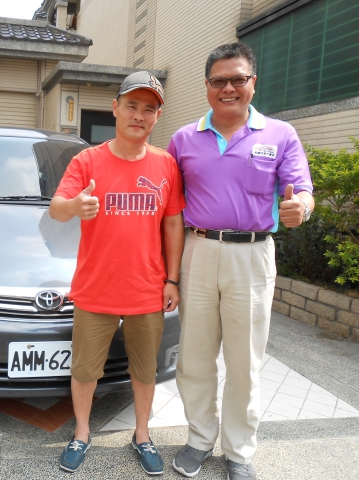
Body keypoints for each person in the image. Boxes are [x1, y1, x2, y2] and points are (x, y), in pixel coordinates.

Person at [167, 43, 315, 479]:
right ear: (207, 86)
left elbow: (302, 191)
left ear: (253, 82)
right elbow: (168, 209)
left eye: (238, 79)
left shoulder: (280, 134)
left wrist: (301, 208)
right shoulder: (183, 139)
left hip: (252, 255)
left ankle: (237, 451)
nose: (228, 88)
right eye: (219, 81)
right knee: (194, 357)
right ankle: (199, 439)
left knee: (244, 361)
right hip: (198, 250)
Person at [49, 71, 186, 475]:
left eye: (149, 109)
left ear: (157, 116)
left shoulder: (166, 165)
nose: (139, 115)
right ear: (115, 108)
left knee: (145, 370)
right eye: (132, 105)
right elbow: (56, 209)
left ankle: (142, 435)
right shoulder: (87, 161)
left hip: (147, 289)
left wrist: (172, 279)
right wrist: (75, 207)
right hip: (96, 288)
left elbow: (173, 224)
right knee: (85, 370)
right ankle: (82, 432)